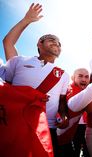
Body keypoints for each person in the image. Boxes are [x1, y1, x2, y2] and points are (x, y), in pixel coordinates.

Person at [4, 3, 69, 156]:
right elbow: (7, 42)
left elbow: (61, 102)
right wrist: (26, 20)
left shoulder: (64, 75)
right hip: (15, 124)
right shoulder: (19, 61)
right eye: (51, 40)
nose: (56, 44)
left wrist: (64, 116)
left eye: (59, 43)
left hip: (47, 129)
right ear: (39, 44)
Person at [57, 68, 90, 157]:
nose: (84, 79)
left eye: (87, 77)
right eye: (80, 76)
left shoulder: (83, 90)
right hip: (58, 139)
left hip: (66, 138)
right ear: (72, 78)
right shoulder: (70, 90)